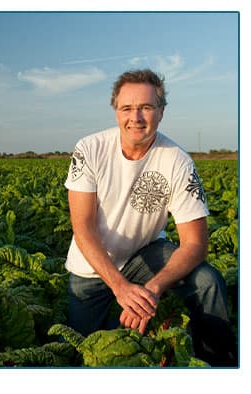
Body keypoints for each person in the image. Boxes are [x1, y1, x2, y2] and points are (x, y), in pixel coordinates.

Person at [64, 68, 237, 366]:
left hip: (147, 255)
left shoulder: (178, 161)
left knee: (208, 280)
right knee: (82, 351)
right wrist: (121, 288)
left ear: (161, 111)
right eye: (127, 108)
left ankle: (217, 365)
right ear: (116, 111)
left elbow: (195, 244)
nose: (136, 117)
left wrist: (153, 288)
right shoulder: (89, 149)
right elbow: (83, 229)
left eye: (146, 107)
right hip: (92, 269)